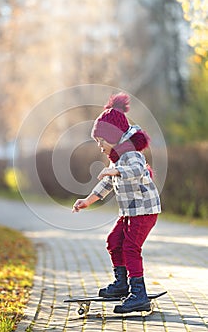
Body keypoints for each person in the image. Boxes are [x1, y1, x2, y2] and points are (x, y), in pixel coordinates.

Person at [72, 92, 161, 314]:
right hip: (131, 212)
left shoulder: (131, 155)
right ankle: (122, 284)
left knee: (131, 247)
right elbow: (107, 185)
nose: (100, 146)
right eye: (97, 142)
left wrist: (116, 170)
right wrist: (88, 201)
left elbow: (137, 170)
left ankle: (138, 294)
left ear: (113, 136)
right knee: (114, 241)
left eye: (101, 141)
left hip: (144, 212)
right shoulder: (118, 159)